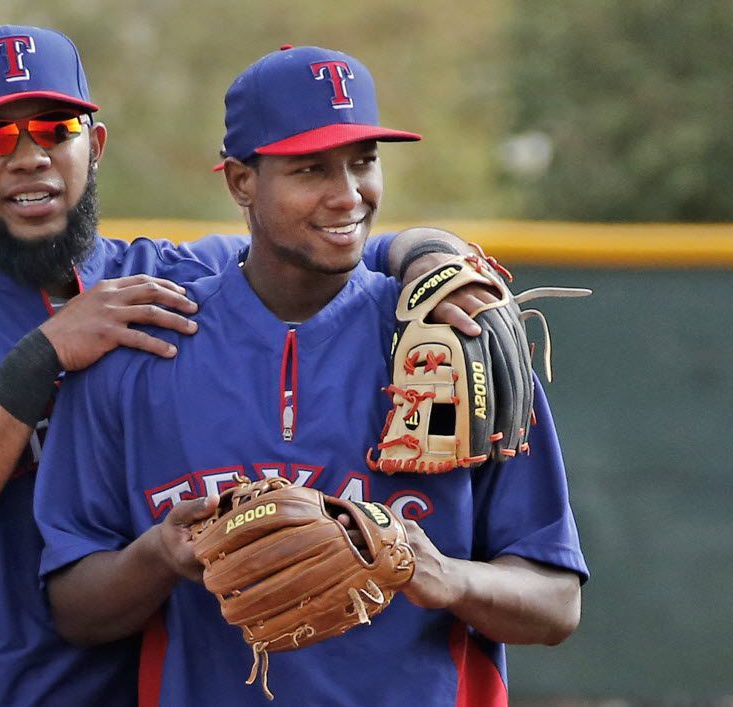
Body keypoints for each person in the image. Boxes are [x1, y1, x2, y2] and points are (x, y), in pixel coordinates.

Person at [0, 26, 489, 706]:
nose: (28, 156)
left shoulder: (171, 279)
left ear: (93, 146)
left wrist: (434, 258)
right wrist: (44, 355)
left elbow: (331, 237)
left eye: (54, 128)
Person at [36, 45, 587, 706]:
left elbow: (556, 600)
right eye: (311, 169)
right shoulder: (137, 355)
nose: (349, 195)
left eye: (364, 161)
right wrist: (157, 557)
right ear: (242, 182)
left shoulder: (456, 338)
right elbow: (73, 607)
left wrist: (447, 575)